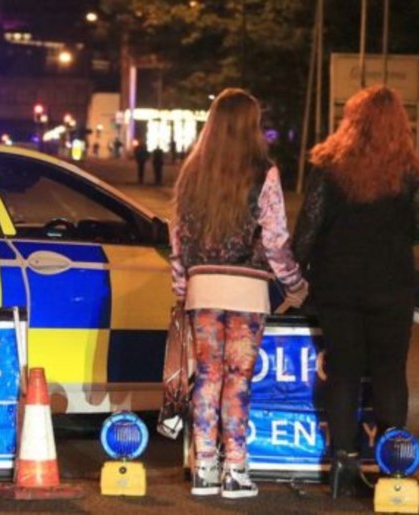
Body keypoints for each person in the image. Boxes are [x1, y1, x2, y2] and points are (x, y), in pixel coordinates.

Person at [292, 85, 419, 498]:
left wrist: (293, 275)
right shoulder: (411, 171)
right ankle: (393, 467)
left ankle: (342, 463)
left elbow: (307, 232)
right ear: (400, 125)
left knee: (344, 373)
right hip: (391, 286)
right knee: (390, 373)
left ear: (351, 122)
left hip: (338, 286)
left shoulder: (328, 167)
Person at [170, 87, 309, 499]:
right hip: (248, 290)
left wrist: (182, 287)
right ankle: (235, 468)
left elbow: (177, 239)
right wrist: (296, 284)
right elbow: (275, 241)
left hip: (203, 287)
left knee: (207, 375)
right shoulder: (264, 173)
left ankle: (204, 466)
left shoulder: (191, 173)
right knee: (237, 378)